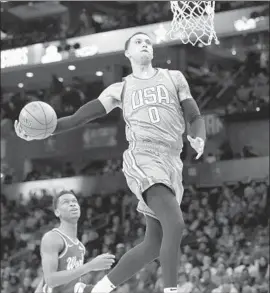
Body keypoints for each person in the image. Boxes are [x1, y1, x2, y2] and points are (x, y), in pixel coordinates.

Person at [15, 32, 206, 293]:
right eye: (138, 42)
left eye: (148, 42)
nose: (144, 44)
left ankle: (101, 288)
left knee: (153, 243)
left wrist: (199, 136)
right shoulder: (120, 88)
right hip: (143, 157)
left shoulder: (174, 78)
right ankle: (171, 290)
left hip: (173, 161)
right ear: (127, 53)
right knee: (176, 223)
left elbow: (194, 115)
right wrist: (41, 131)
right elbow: (79, 118)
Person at [35, 190, 115, 293]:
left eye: (74, 201)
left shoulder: (80, 246)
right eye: (65, 202)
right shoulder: (52, 237)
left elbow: (62, 279)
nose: (72, 204)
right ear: (57, 212)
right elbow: (50, 280)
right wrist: (91, 266)